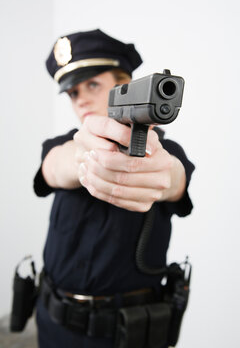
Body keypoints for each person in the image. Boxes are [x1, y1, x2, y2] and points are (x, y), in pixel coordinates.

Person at [34, 29, 195, 348]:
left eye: (93, 84)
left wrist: (166, 176)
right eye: (73, 92)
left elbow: (174, 178)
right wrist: (81, 157)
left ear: (124, 84)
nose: (82, 99)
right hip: (52, 322)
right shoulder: (64, 144)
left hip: (125, 335)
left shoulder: (163, 150)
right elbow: (52, 168)